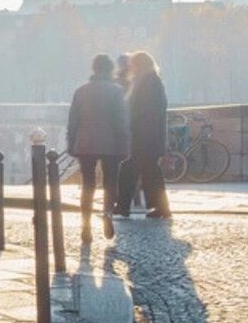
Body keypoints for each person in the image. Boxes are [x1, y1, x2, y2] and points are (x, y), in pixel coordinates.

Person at [66, 54, 129, 241]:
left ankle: (85, 224)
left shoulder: (81, 91)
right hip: (110, 143)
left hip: (85, 143)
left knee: (88, 184)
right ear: (110, 70)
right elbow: (121, 121)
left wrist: (72, 143)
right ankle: (107, 213)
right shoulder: (116, 91)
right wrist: (124, 144)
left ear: (93, 69)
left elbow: (73, 121)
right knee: (110, 182)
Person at [124, 50, 171, 219]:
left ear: (139, 65)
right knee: (149, 171)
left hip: (145, 136)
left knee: (147, 171)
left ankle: (160, 207)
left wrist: (132, 122)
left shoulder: (149, 82)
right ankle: (159, 207)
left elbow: (147, 111)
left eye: (133, 65)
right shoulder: (149, 80)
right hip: (147, 135)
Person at [113, 53, 137, 214]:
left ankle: (120, 202)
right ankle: (126, 202)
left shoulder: (117, 82)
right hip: (133, 129)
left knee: (123, 167)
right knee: (130, 167)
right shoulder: (135, 81)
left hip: (122, 129)